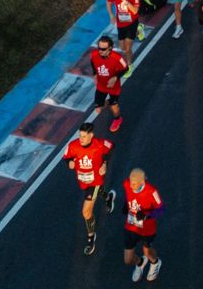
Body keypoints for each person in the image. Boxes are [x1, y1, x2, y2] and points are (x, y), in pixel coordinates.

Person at [67, 121, 116, 254]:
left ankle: (91, 237)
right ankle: (108, 197)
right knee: (97, 191)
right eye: (80, 136)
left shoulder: (99, 144)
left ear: (91, 135)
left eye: (83, 136)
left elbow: (110, 147)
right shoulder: (73, 145)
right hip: (83, 181)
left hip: (95, 181)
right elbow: (67, 157)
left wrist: (104, 163)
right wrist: (69, 163)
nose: (81, 139)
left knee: (86, 212)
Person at [122, 168, 164, 281]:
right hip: (131, 226)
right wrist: (126, 205)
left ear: (142, 182)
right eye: (130, 182)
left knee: (147, 252)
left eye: (134, 184)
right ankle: (140, 262)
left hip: (147, 229)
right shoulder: (127, 184)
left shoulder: (152, 192)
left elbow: (161, 210)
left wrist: (146, 216)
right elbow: (129, 195)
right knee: (128, 260)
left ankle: (155, 263)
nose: (131, 185)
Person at [89, 35, 130, 133]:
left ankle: (117, 119)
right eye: (99, 48)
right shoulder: (94, 55)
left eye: (103, 49)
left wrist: (115, 77)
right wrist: (94, 74)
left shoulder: (117, 58)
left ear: (110, 48)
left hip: (114, 87)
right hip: (101, 86)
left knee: (114, 106)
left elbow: (126, 68)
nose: (100, 51)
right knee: (98, 109)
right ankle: (107, 102)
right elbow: (92, 63)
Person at [107, 0, 144, 64]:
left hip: (132, 22)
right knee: (122, 48)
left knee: (127, 49)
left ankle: (129, 66)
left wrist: (125, 1)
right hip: (121, 24)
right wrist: (111, 15)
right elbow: (108, 2)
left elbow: (135, 11)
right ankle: (139, 31)